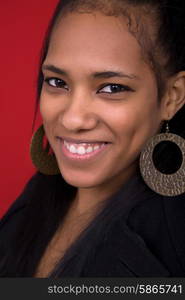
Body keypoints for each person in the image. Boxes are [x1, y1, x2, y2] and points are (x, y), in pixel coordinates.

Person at [0, 0, 185, 278]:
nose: (72, 119)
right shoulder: (39, 198)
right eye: (57, 82)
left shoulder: (168, 248)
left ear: (172, 97)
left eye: (112, 88)